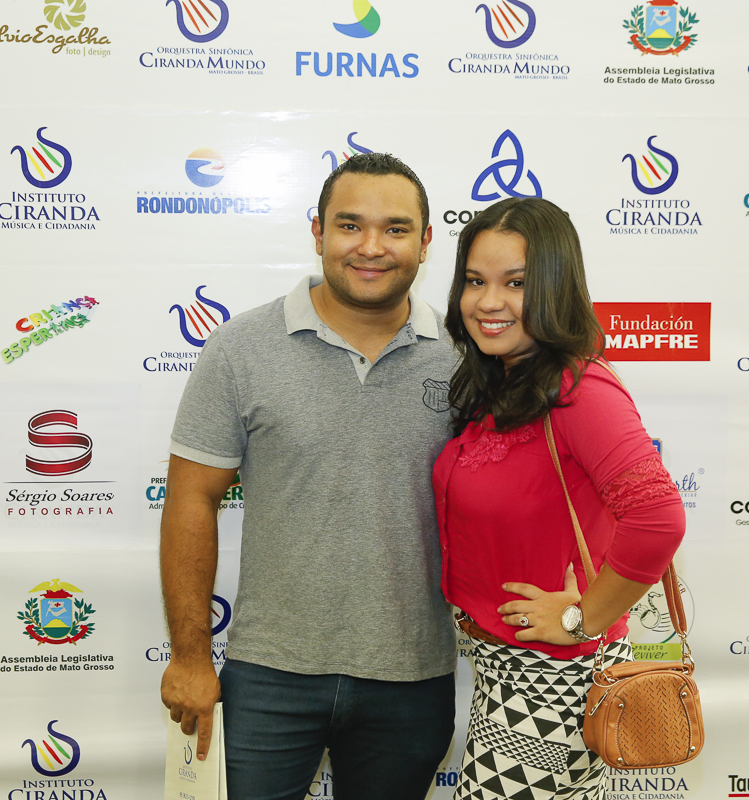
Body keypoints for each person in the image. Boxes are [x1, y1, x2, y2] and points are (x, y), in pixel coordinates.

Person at [160, 152, 457, 800]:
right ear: (318, 232)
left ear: (426, 241)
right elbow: (191, 498)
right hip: (269, 675)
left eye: (396, 228)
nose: (371, 246)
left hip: (412, 679)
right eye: (350, 225)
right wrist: (188, 657)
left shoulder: (465, 357)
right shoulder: (241, 347)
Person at [434, 197, 686, 800]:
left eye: (516, 283)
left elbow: (657, 518)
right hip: (508, 669)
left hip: (553, 679)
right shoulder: (503, 382)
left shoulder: (579, 389)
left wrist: (581, 618)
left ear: (554, 288)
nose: (488, 302)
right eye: (475, 281)